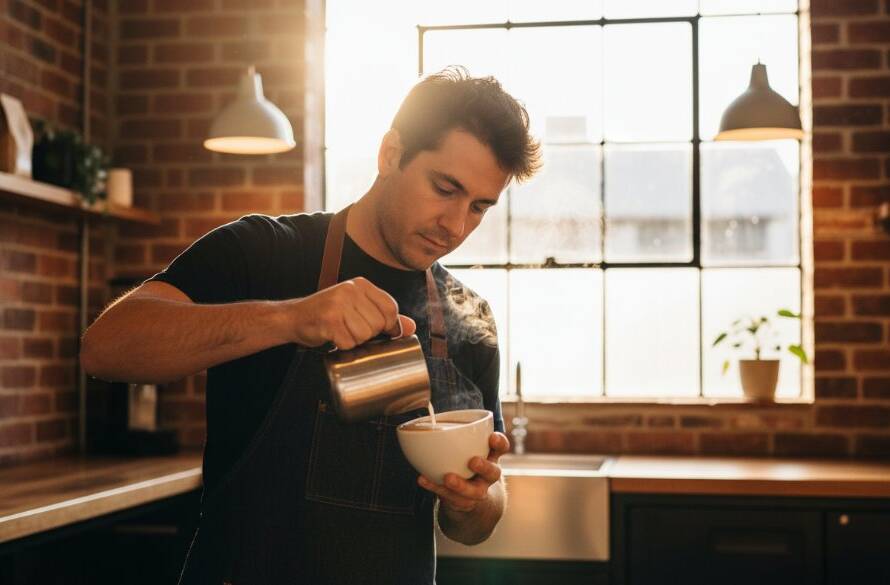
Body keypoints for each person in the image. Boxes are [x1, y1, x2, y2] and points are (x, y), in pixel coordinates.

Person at [80, 66, 541, 584]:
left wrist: (473, 501)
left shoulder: (467, 317)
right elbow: (106, 346)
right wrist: (291, 318)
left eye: (479, 207)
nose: (455, 226)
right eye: (444, 188)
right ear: (391, 153)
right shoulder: (264, 251)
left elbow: (479, 520)